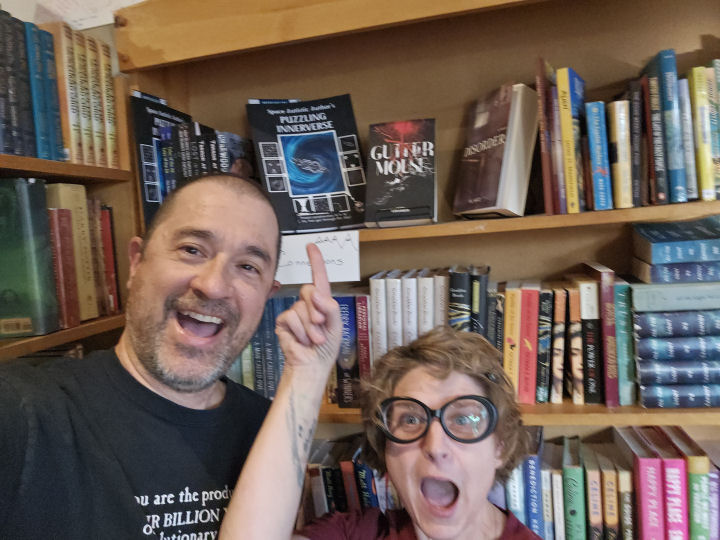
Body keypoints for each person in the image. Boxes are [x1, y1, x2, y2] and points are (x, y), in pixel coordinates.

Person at [0, 173, 343, 539]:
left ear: (267, 296)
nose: (213, 285)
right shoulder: (23, 409)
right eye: (192, 250)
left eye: (248, 267)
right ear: (136, 263)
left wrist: (308, 370)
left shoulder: (270, 430)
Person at [220, 326, 539, 540]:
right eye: (410, 419)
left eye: (464, 419)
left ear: (500, 446)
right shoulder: (356, 533)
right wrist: (305, 373)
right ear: (385, 448)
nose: (435, 445)